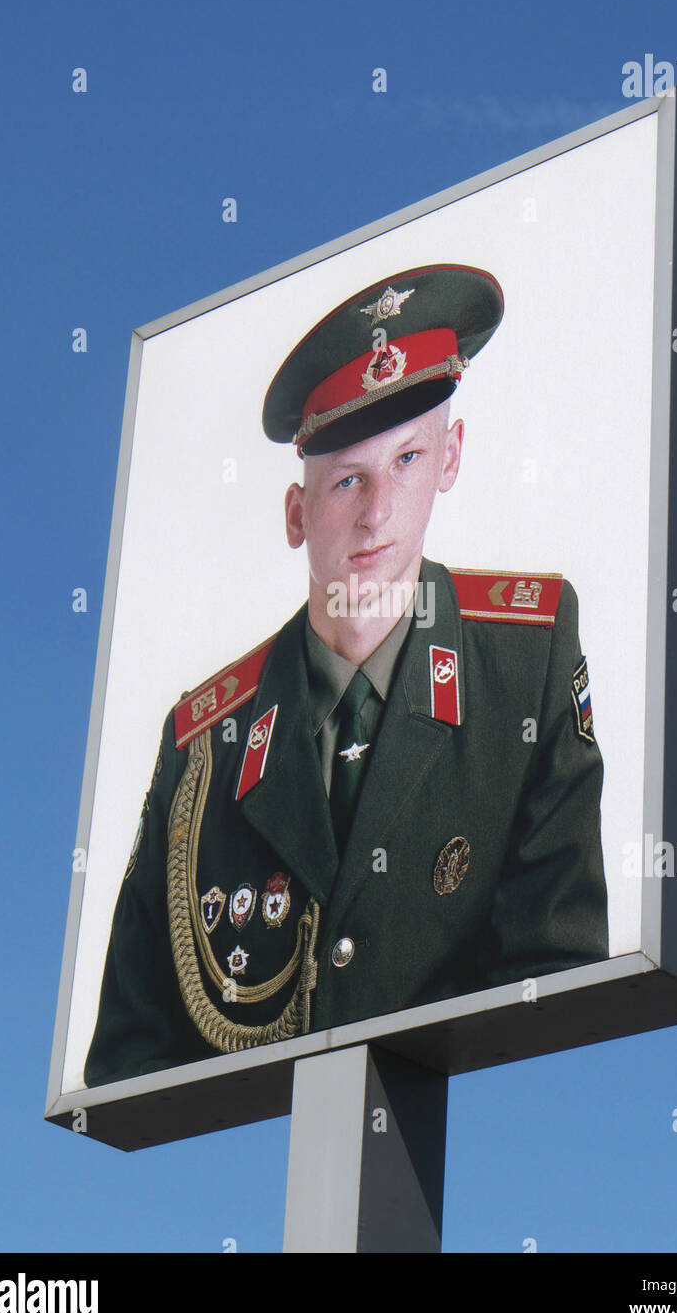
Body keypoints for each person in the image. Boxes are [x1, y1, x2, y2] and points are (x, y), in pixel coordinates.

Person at [84, 264, 607, 1088]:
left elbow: (560, 998)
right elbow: (129, 1067)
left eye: (405, 460)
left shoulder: (525, 659)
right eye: (347, 480)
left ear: (451, 456)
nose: (376, 515)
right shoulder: (203, 743)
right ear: (296, 514)